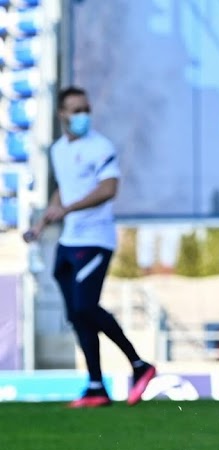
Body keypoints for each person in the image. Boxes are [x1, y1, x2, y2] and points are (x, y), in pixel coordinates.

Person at [22, 86, 156, 408]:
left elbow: (109, 189)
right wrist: (42, 224)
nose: (82, 115)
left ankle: (140, 365)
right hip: (69, 240)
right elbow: (63, 191)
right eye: (76, 109)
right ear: (62, 115)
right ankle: (96, 386)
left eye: (86, 108)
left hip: (95, 240)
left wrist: (69, 209)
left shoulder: (101, 147)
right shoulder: (57, 150)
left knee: (85, 305)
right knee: (76, 315)